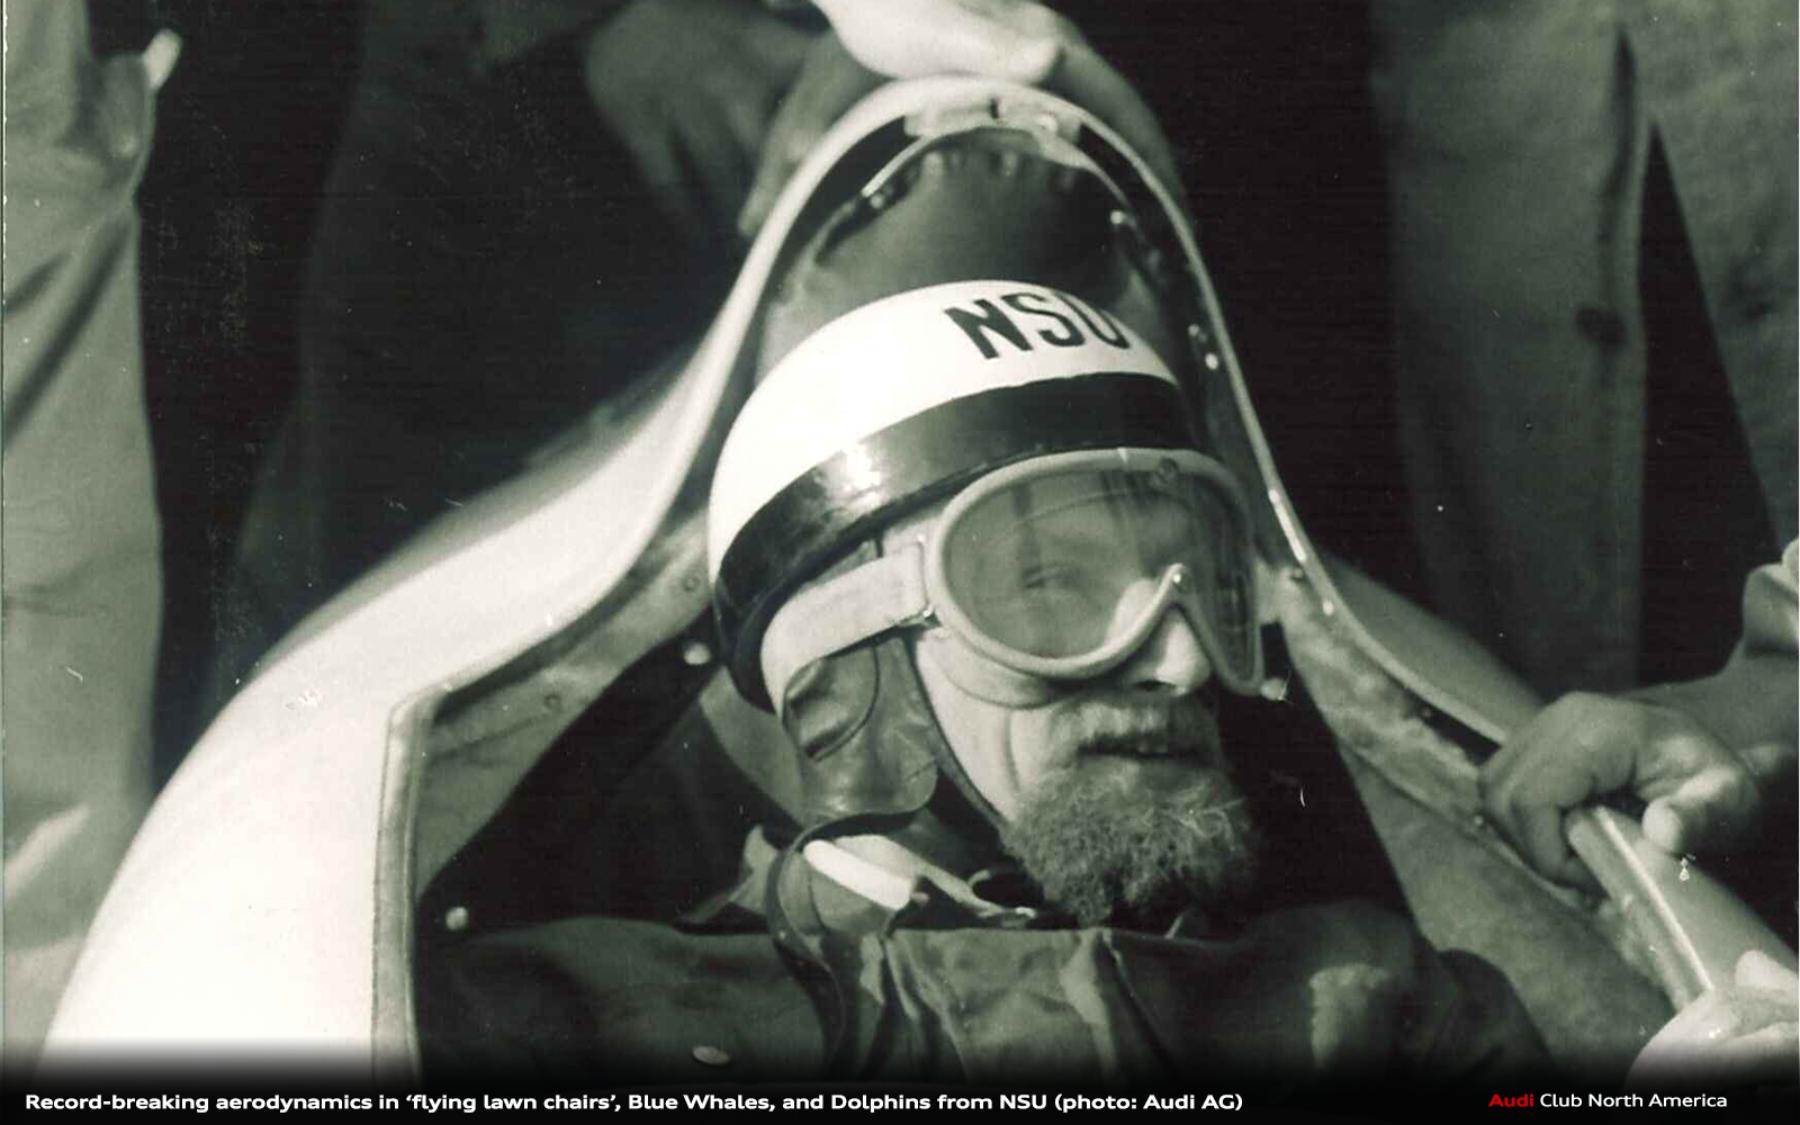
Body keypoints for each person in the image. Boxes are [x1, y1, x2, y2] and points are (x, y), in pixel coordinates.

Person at [418, 279, 1554, 1090]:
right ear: (840, 660)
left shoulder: (1391, 1002)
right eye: (1048, 586)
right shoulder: (558, 1031)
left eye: (1198, 585)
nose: (1183, 660)